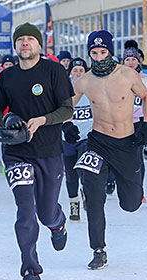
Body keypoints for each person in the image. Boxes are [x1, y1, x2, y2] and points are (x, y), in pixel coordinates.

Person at [0, 22, 74, 280]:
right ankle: (30, 271)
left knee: (45, 212)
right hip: (16, 153)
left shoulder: (54, 71)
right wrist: (7, 118)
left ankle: (57, 222)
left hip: (49, 151)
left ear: (39, 45)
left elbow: (67, 110)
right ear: (15, 46)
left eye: (30, 39)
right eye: (21, 39)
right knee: (25, 212)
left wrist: (44, 120)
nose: (25, 43)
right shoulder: (7, 77)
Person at [71, 30, 147, 270]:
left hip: (126, 143)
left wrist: (146, 125)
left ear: (110, 51)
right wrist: (67, 124)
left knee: (131, 203)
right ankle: (98, 249)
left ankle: (128, 186)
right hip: (97, 142)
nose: (98, 57)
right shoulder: (84, 81)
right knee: (94, 196)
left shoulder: (127, 75)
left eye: (103, 52)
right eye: (93, 53)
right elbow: (67, 104)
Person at [123, 41, 147, 203]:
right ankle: (119, 184)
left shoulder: (145, 79)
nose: (130, 63)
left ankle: (139, 189)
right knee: (122, 156)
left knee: (137, 157)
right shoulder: (117, 77)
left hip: (138, 122)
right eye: (127, 60)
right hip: (121, 122)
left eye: (133, 59)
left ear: (139, 61)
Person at [62, 57, 92, 221]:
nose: (78, 73)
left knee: (84, 170)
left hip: (86, 137)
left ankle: (86, 193)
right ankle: (74, 204)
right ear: (70, 73)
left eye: (81, 70)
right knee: (71, 174)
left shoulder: (91, 88)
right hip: (67, 139)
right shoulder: (63, 90)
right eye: (75, 70)